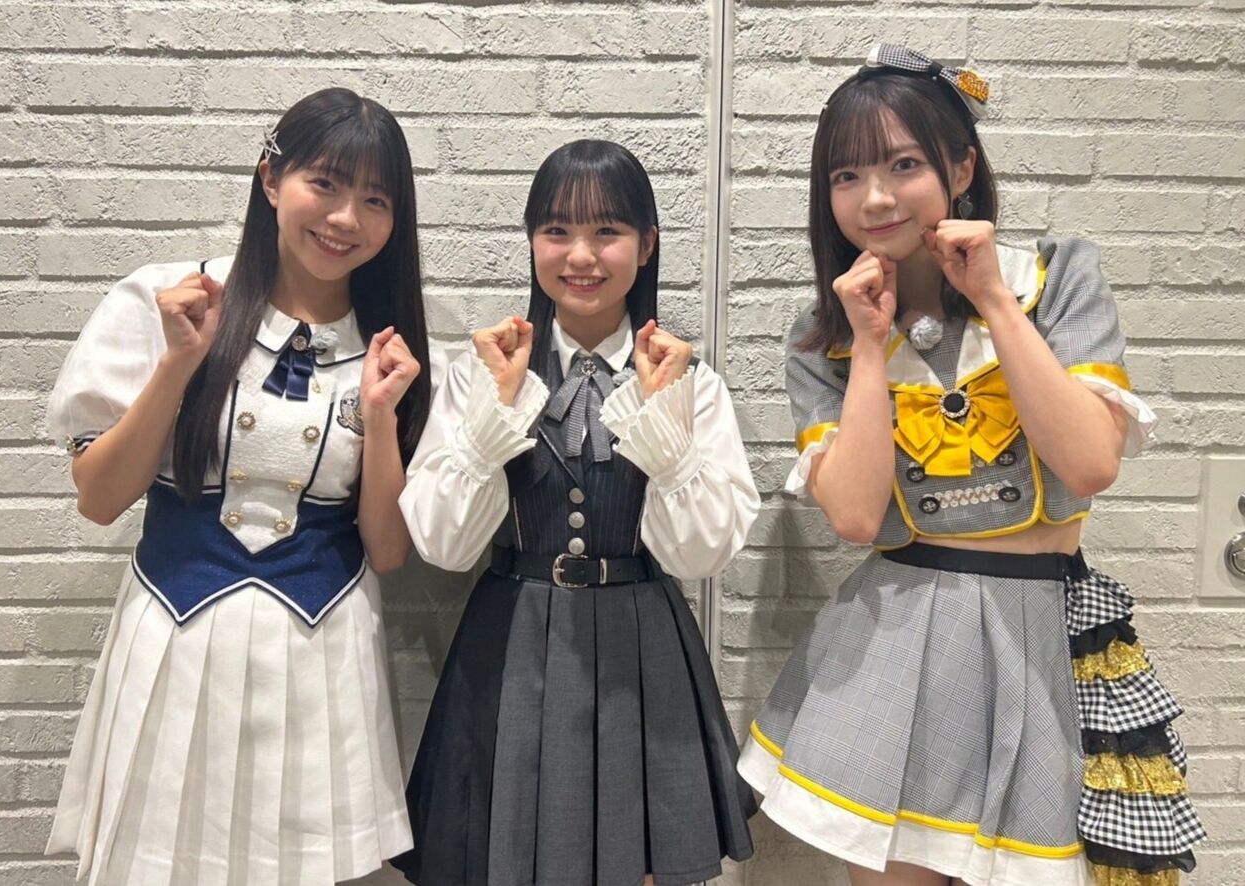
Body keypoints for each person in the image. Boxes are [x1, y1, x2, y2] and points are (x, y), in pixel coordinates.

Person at [738, 46, 1205, 886]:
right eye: (846, 175)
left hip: (1044, 636)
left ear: (960, 169)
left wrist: (992, 297)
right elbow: (854, 518)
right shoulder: (824, 337)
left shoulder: (1054, 280)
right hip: (897, 639)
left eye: (903, 165)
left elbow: (1089, 463)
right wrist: (870, 345)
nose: (875, 198)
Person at [44, 87, 437, 884]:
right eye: (325, 183)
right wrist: (180, 361)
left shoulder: (391, 350)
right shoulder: (171, 301)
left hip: (323, 649)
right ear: (270, 178)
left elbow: (389, 552)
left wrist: (381, 415)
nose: (346, 218)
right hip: (176, 636)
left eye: (375, 199)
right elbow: (99, 498)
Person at [392, 139, 758, 885]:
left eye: (607, 231)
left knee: (640, 862)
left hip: (643, 643)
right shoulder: (480, 375)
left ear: (647, 245)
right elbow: (444, 546)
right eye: (557, 230)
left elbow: (700, 557)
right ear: (532, 241)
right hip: (510, 637)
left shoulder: (692, 384)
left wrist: (663, 424)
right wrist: (497, 411)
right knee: (507, 856)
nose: (581, 255)